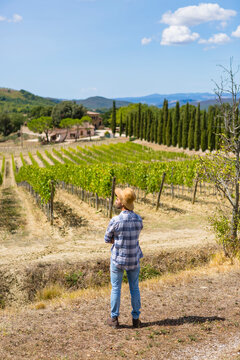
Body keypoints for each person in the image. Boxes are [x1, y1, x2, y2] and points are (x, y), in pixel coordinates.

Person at [104, 187, 143, 329]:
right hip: (134, 258)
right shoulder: (138, 219)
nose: (116, 200)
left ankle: (114, 319)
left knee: (116, 288)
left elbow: (107, 238)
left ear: (122, 203)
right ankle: (136, 319)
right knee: (134, 287)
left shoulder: (115, 220)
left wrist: (118, 240)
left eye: (118, 198)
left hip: (118, 259)